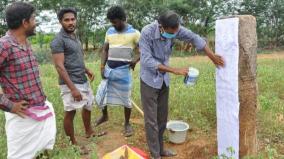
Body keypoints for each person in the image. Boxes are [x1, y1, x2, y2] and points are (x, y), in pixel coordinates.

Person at [139, 10, 225, 159]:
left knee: (162, 118)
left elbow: (194, 37)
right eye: (172, 32)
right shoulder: (147, 33)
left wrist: (211, 56)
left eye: (177, 31)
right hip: (149, 81)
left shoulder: (175, 28)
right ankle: (155, 154)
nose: (175, 34)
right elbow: (146, 61)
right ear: (161, 27)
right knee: (151, 120)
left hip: (163, 80)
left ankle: (161, 149)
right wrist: (175, 70)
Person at [0, 2, 56, 158]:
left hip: (38, 112)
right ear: (25, 23)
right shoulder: (4, 45)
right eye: (33, 19)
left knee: (40, 153)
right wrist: (10, 105)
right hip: (22, 118)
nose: (35, 22)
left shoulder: (25, 43)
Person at [50, 8, 105, 146]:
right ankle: (73, 144)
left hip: (82, 79)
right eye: (66, 20)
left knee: (88, 106)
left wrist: (86, 70)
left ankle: (89, 132)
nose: (70, 22)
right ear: (60, 22)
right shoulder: (58, 40)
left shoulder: (74, 37)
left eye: (72, 19)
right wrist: (73, 89)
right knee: (71, 111)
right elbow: (59, 66)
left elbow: (75, 58)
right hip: (70, 82)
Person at [95, 6, 140, 137]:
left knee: (126, 98)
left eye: (115, 22)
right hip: (109, 70)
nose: (113, 25)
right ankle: (105, 116)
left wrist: (135, 60)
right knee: (103, 92)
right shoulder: (109, 31)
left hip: (123, 72)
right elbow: (105, 50)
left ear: (123, 19)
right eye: (111, 22)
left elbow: (144, 50)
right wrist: (102, 66)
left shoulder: (135, 33)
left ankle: (127, 123)